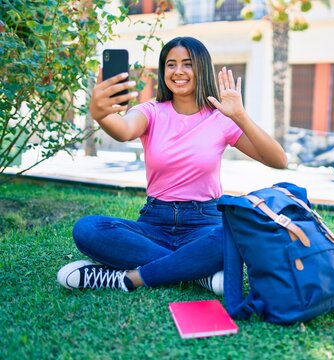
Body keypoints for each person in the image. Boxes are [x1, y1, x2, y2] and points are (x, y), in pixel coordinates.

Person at [57, 36, 287, 294]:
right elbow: (122, 130)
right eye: (171, 64)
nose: (178, 71)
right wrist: (101, 113)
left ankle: (128, 278)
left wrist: (240, 116)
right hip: (155, 222)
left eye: (187, 64)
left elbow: (278, 160)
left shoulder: (221, 118)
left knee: (234, 238)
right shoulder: (151, 111)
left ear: (201, 68)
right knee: (88, 229)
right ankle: (197, 273)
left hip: (205, 222)